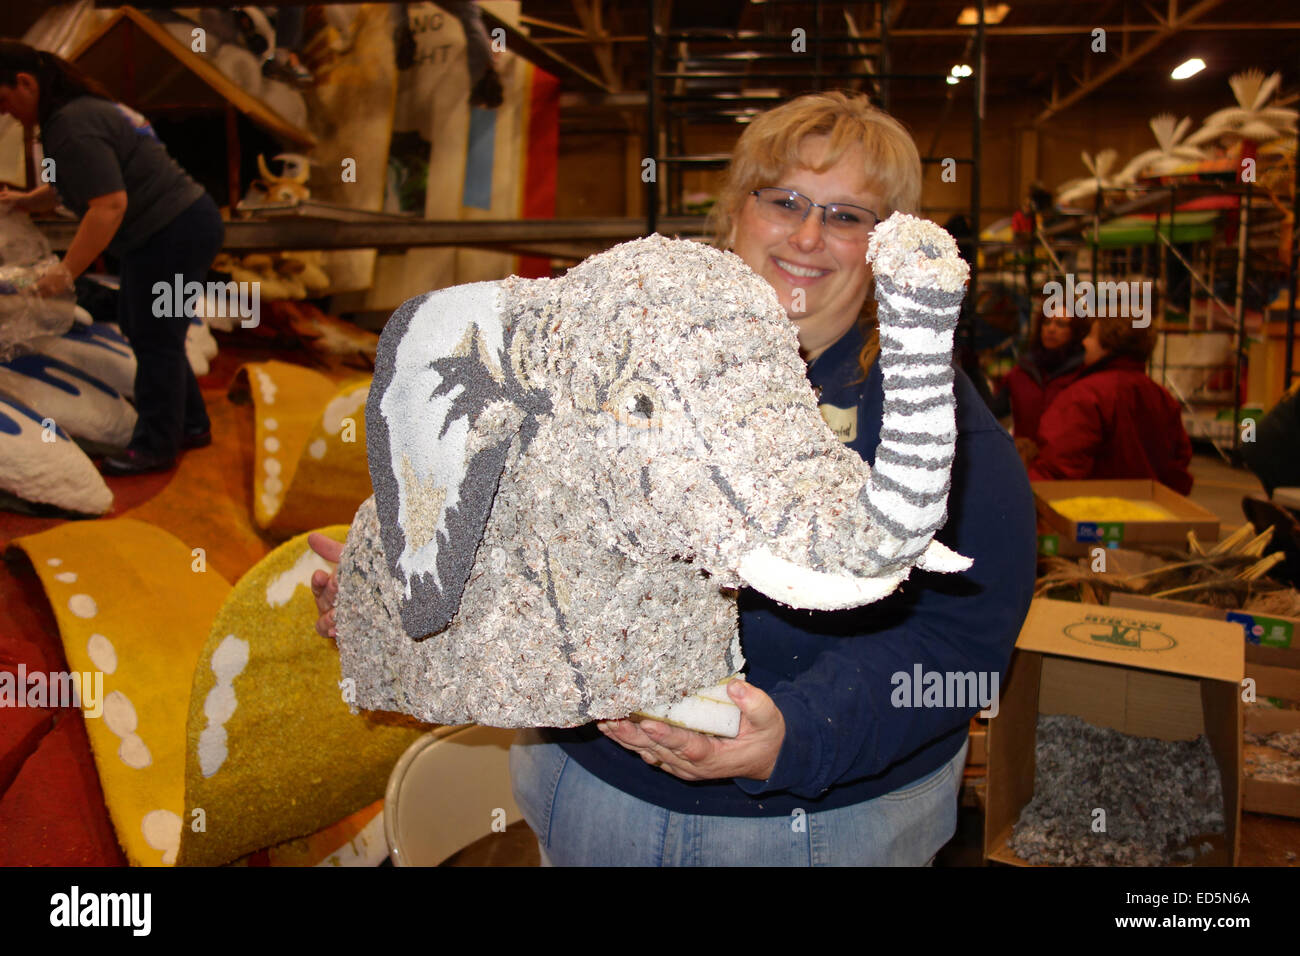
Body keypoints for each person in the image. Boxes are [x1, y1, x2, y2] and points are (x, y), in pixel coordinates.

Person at [310, 91, 1036, 866]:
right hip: (592, 788)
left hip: (821, 827)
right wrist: (397, 601)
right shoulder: (608, 355)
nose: (807, 235)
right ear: (734, 211)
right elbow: (521, 542)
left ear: (881, 247)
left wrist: (801, 733)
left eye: (847, 216)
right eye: (783, 199)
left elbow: (963, 639)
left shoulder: (933, 423)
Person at [0, 41, 223, 475]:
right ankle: (191, 425)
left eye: (4, 100)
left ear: (25, 83)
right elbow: (81, 178)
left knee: (153, 336)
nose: (7, 113)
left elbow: (108, 204)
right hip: (181, 226)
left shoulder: (70, 123)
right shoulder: (77, 111)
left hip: (169, 232)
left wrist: (64, 273)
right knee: (154, 332)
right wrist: (31, 199)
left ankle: (155, 447)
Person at [1029, 314, 1193, 494]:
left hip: (1096, 511)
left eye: (1091, 336)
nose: (1085, 342)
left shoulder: (1086, 395)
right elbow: (1178, 463)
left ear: (1109, 344)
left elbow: (1058, 464)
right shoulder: (1161, 396)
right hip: (1151, 509)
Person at [991, 300, 1087, 466]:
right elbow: (992, 413)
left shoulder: (1084, 375)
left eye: (1061, 324)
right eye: (1047, 322)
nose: (1051, 329)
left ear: (1075, 332)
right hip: (1024, 463)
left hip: (1068, 465)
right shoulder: (1020, 373)